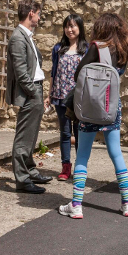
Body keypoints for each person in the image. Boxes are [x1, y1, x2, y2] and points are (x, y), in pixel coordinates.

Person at [58, 13, 128, 219]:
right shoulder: (123, 49)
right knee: (116, 153)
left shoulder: (97, 48)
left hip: (90, 108)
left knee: (83, 155)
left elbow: (78, 75)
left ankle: (76, 204)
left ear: (102, 28)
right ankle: (127, 203)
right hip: (111, 108)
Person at [6, 0, 53, 194]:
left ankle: (31, 171)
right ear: (31, 13)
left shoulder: (27, 35)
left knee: (31, 136)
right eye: (39, 13)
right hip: (29, 92)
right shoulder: (18, 37)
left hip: (35, 89)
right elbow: (21, 72)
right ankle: (23, 180)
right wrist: (34, 93)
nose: (40, 17)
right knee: (23, 138)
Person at [48, 14, 87, 181]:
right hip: (60, 95)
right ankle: (65, 167)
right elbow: (53, 72)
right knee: (64, 133)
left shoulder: (86, 49)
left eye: (73, 26)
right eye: (67, 26)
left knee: (79, 132)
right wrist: (49, 94)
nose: (70, 29)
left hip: (78, 97)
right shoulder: (58, 49)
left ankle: (80, 167)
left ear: (79, 28)